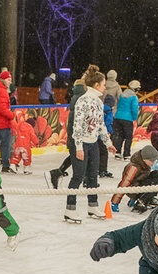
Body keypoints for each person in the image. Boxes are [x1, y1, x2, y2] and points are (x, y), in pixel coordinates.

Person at [65, 68, 111, 223]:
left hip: (93, 144)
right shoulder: (83, 100)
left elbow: (100, 124)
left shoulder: (98, 101)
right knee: (78, 176)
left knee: (93, 176)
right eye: (104, 84)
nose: (105, 87)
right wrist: (78, 147)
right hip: (81, 143)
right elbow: (77, 126)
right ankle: (70, 209)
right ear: (97, 85)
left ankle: (93, 205)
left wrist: (108, 142)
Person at [46, 75, 87, 190]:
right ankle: (58, 173)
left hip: (74, 132)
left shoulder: (75, 96)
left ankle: (60, 172)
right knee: (79, 157)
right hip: (78, 133)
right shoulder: (81, 98)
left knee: (76, 156)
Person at [110, 145, 158, 213]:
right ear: (144, 159)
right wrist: (115, 202)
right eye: (151, 161)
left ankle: (148, 199)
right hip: (133, 190)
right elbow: (124, 183)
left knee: (156, 174)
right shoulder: (134, 167)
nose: (153, 163)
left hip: (139, 186)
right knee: (151, 182)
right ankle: (140, 202)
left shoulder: (145, 164)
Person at [114, 79, 140, 159]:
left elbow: (118, 105)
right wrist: (135, 118)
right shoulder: (134, 97)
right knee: (128, 137)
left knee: (120, 135)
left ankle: (117, 152)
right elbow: (134, 109)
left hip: (118, 117)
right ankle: (126, 153)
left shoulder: (122, 95)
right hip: (127, 119)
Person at [99, 94, 116, 178]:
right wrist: (111, 132)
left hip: (96, 135)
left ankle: (96, 169)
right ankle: (102, 170)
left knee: (97, 153)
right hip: (103, 136)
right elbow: (108, 123)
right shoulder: (109, 111)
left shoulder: (100, 108)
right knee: (104, 154)